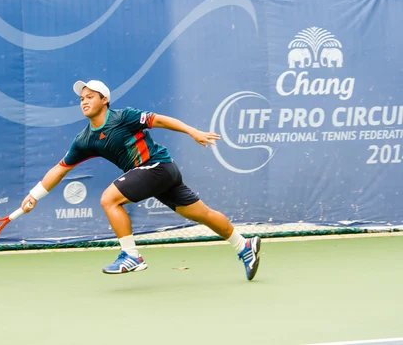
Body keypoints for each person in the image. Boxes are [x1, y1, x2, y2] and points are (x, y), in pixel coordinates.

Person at [21, 80, 261, 280]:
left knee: (109, 200)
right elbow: (60, 169)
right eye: (82, 98)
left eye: (90, 97)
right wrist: (34, 195)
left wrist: (192, 132)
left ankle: (131, 255)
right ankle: (244, 246)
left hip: (158, 167)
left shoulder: (124, 117)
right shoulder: (84, 140)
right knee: (202, 214)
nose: (84, 101)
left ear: (104, 99)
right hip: (155, 175)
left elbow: (161, 120)